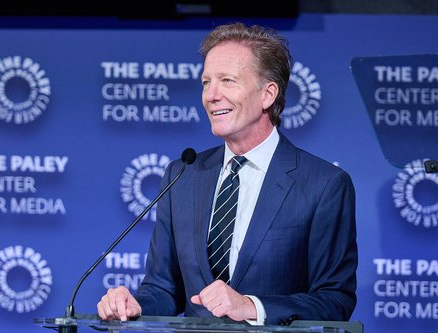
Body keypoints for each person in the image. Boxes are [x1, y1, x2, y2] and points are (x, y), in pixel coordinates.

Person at [97, 22, 358, 326]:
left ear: (267, 94)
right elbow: (164, 289)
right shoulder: (183, 175)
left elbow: (334, 300)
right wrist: (135, 304)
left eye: (227, 81)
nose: (211, 95)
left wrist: (252, 306)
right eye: (206, 82)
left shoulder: (323, 185)